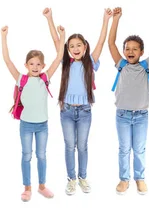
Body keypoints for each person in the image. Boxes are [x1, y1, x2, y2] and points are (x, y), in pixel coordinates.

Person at [43, 7, 112, 195]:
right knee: (69, 145)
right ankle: (71, 179)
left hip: (84, 111)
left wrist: (106, 20)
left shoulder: (90, 61)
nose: (75, 49)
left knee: (82, 146)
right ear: (68, 49)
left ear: (85, 47)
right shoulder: (65, 61)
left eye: (78, 45)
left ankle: (82, 177)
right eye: (71, 46)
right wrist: (50, 18)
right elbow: (56, 40)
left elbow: (101, 41)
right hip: (66, 110)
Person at [1, 25, 66, 202]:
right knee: (27, 155)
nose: (35, 67)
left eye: (38, 64)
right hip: (26, 125)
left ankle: (42, 186)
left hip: (42, 125)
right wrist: (4, 36)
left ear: (43, 66)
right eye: (32, 64)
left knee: (42, 155)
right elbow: (7, 60)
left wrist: (63, 35)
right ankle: (27, 188)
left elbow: (59, 57)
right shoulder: (21, 78)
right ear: (26, 65)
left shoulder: (45, 78)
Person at [107, 7, 149, 195]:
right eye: (127, 49)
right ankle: (124, 180)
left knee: (139, 149)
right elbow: (111, 44)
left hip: (141, 115)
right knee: (124, 149)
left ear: (141, 52)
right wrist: (116, 19)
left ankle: (139, 178)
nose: (130, 51)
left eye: (134, 49)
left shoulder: (146, 65)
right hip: (122, 115)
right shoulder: (121, 64)